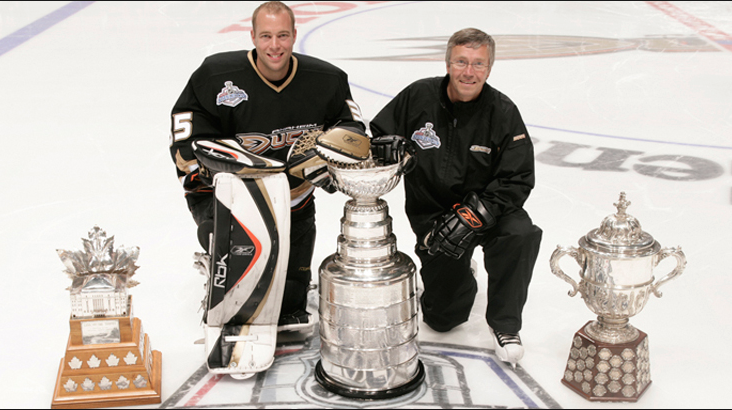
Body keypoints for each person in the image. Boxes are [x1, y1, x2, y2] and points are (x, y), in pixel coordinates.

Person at [169, 1, 366, 330]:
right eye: (266, 36)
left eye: (282, 36)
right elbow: (186, 141)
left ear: (294, 36)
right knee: (241, 299)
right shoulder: (215, 77)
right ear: (253, 37)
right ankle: (218, 268)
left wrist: (329, 162)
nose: (275, 46)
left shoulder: (326, 80)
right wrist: (213, 175)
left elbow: (355, 133)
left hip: (294, 200)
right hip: (230, 200)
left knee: (288, 308)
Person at [370, 28, 542, 367]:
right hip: (435, 218)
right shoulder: (418, 96)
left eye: (479, 64)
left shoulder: (503, 112)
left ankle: (505, 325)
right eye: (461, 61)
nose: (469, 71)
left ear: (489, 68)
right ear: (448, 63)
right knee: (443, 319)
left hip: (491, 210)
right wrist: (387, 147)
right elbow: (379, 135)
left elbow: (518, 178)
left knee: (520, 234)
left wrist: (473, 215)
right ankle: (462, 275)